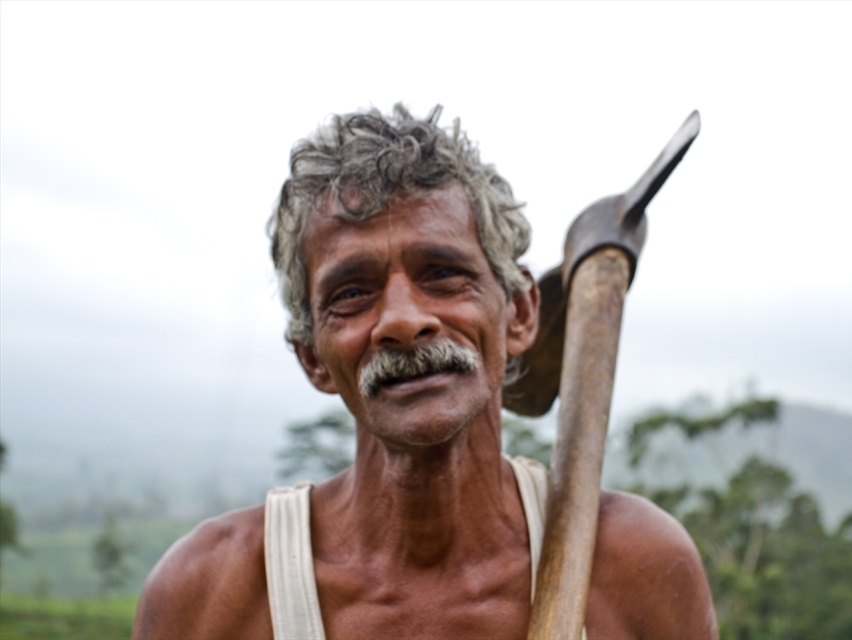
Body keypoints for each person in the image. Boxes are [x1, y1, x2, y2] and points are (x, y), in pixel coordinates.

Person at [132, 104, 717, 639]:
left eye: (442, 273)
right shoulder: (208, 596)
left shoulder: (637, 568)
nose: (403, 321)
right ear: (313, 357)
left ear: (519, 313)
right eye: (352, 293)